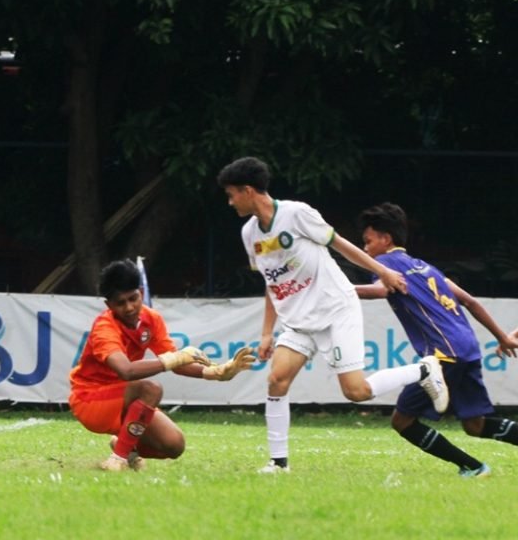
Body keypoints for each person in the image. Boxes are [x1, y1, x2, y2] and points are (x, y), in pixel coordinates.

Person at [216, 156, 449, 474]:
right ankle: (278, 463)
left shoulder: (297, 214)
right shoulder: (249, 234)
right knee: (276, 381)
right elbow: (271, 283)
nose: (230, 202)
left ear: (247, 190)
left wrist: (384, 272)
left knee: (356, 392)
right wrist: (267, 332)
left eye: (231, 194)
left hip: (335, 309)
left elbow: (340, 245)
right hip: (298, 322)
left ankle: (423, 370)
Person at [356, 202, 518, 478]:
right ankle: (474, 467)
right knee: (474, 425)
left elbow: (380, 290)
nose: (365, 249)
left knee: (402, 420)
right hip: (467, 346)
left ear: (386, 239)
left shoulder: (384, 263)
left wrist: (338, 290)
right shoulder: (425, 267)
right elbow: (468, 300)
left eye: (368, 241)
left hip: (443, 354)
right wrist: (501, 337)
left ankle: (473, 467)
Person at [68, 258, 256, 472]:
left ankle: (124, 446)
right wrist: (173, 359)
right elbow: (126, 370)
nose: (129, 307)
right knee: (150, 389)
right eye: (121, 303)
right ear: (108, 305)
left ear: (140, 292)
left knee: (174, 445)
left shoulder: (151, 318)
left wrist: (215, 372)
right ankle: (117, 459)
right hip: (90, 400)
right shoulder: (104, 327)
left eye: (133, 298)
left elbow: (177, 363)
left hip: (123, 397)